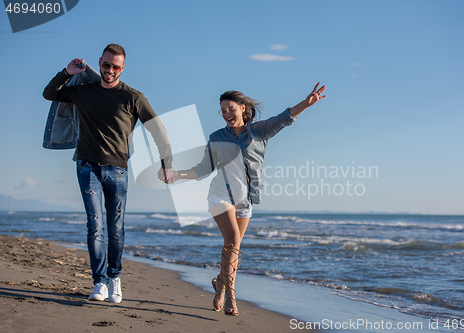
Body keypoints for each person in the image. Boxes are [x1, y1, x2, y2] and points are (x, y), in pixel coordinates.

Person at [169, 83, 326, 315]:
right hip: (219, 194)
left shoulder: (258, 131)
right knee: (232, 239)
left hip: (245, 200)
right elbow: (203, 169)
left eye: (230, 109)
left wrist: (306, 103)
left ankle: (220, 283)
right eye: (223, 111)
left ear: (243, 108)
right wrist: (177, 174)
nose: (226, 114)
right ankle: (230, 296)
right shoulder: (216, 137)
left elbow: (284, 118)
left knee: (233, 247)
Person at [43, 44, 174, 303]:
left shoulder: (133, 97)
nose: (110, 70)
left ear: (122, 68)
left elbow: (158, 130)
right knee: (95, 226)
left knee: (115, 229)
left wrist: (166, 163)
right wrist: (67, 72)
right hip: (87, 166)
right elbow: (49, 93)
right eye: (106, 65)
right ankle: (99, 282)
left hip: (118, 171)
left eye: (115, 67)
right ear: (99, 63)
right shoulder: (83, 92)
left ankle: (115, 278)